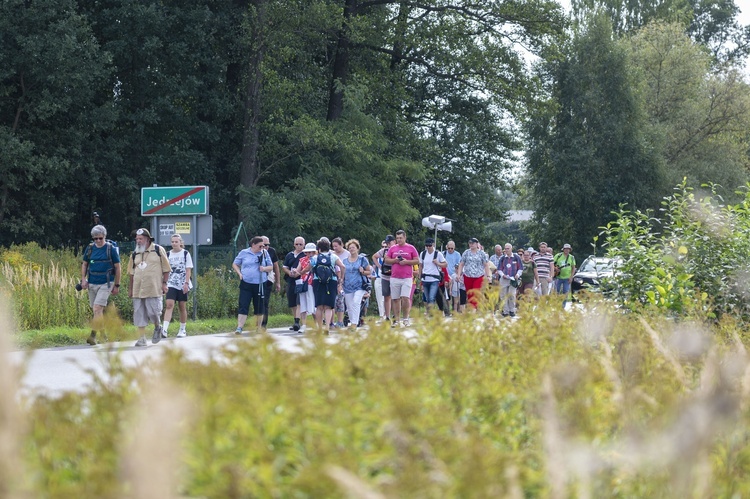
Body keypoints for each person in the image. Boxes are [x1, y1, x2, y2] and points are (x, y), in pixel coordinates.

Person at [128, 228, 171, 346]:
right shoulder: (134, 253)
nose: (138, 241)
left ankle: (157, 326)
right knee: (138, 313)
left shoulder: (158, 250)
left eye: (140, 239)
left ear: (147, 239)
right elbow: (131, 273)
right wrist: (130, 289)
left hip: (154, 288)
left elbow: (167, 269)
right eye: (137, 239)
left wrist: (164, 283)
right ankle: (142, 338)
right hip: (138, 289)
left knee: (154, 312)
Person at [80, 224, 121, 345]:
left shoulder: (111, 249)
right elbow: (84, 264)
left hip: (106, 282)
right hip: (92, 282)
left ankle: (92, 336)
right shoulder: (90, 248)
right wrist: (83, 279)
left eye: (100, 238)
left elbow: (118, 267)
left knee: (97, 308)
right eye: (95, 238)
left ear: (104, 237)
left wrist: (117, 285)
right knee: (96, 311)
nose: (98, 240)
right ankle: (104, 335)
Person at [299, 238, 346, 331]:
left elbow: (308, 268)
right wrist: (340, 279)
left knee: (319, 306)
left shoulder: (315, 258)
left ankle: (320, 328)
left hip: (318, 282)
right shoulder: (333, 257)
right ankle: (327, 327)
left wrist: (300, 272)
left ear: (319, 249)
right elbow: (343, 266)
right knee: (329, 306)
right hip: (331, 282)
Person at [232, 236, 273, 334]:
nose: (262, 248)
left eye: (263, 246)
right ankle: (239, 327)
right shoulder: (244, 252)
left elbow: (271, 266)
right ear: (253, 245)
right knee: (243, 304)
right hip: (246, 282)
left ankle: (258, 327)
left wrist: (264, 268)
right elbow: (235, 264)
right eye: (260, 246)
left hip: (259, 283)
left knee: (259, 306)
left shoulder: (264, 253)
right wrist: (239, 274)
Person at [384, 230, 420, 326]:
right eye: (397, 238)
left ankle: (406, 318)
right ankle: (396, 319)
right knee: (395, 299)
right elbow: (386, 260)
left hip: (407, 277)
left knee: (405, 298)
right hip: (395, 277)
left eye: (401, 238)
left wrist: (407, 262)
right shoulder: (392, 248)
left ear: (405, 237)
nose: (399, 240)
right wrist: (395, 260)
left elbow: (417, 261)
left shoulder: (411, 248)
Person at [162, 234, 193, 338]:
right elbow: (165, 269)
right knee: (169, 304)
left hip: (182, 282)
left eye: (176, 242)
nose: (174, 244)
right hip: (171, 282)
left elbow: (188, 269)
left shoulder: (185, 253)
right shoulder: (168, 254)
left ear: (180, 242)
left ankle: (182, 329)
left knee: (182, 306)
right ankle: (164, 329)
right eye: (173, 242)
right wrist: (164, 282)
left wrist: (186, 283)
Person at [342, 239, 371, 329]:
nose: (351, 249)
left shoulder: (363, 259)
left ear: (357, 248)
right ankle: (352, 321)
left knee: (356, 302)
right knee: (349, 306)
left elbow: (369, 272)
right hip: (347, 286)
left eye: (353, 247)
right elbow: (343, 273)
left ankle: (354, 324)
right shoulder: (345, 261)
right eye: (350, 248)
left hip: (359, 286)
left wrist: (363, 271)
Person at [456, 238, 491, 310]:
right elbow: (461, 264)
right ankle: (473, 308)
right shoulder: (466, 252)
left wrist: (488, 276)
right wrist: (459, 275)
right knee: (470, 294)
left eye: (472, 243)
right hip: (468, 276)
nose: (471, 245)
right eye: (469, 243)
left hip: (478, 276)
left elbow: (486, 265)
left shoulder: (481, 253)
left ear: (477, 244)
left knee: (476, 293)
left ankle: (473, 310)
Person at [282, 237, 306, 331]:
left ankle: (297, 321)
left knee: (299, 301)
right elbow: (284, 267)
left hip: (301, 280)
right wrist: (289, 273)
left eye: (300, 244)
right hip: (291, 280)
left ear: (304, 245)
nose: (299, 246)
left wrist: (298, 273)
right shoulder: (289, 255)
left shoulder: (305, 255)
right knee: (292, 302)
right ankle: (295, 321)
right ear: (294, 244)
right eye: (297, 244)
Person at [294, 243, 318, 333]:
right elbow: (298, 270)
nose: (309, 254)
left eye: (311, 252)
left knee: (312, 303)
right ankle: (304, 324)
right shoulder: (302, 260)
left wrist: (300, 272)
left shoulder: (317, 259)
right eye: (308, 252)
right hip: (303, 283)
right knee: (303, 304)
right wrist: (294, 272)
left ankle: (316, 324)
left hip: (313, 283)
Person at [418, 237, 446, 313]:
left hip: (434, 279)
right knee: (427, 298)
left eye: (429, 246)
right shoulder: (423, 254)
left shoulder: (438, 254)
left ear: (433, 245)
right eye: (427, 246)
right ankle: (430, 311)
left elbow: (445, 264)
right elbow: (420, 265)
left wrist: (438, 263)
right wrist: (419, 276)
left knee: (431, 297)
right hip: (425, 279)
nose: (428, 247)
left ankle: (431, 313)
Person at [372, 235, 396, 322]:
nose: (388, 245)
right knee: (386, 296)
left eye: (390, 243)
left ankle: (395, 315)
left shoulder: (397, 250)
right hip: (385, 275)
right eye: (387, 243)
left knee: (395, 297)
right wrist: (379, 266)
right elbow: (374, 256)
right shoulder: (384, 251)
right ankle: (387, 316)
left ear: (394, 241)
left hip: (395, 276)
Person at [260, 236, 281, 329]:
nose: (266, 247)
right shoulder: (254, 252)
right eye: (264, 245)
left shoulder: (271, 251)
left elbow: (276, 267)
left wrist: (278, 282)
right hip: (257, 280)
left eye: (268, 245)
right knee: (258, 301)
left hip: (268, 279)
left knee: (265, 302)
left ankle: (263, 324)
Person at [497, 243, 523, 317]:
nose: (506, 250)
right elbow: (499, 269)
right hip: (504, 279)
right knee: (503, 295)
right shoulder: (502, 258)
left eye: (508, 248)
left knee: (511, 294)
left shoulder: (516, 257)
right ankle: (505, 311)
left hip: (513, 279)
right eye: (505, 248)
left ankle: (512, 310)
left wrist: (518, 275)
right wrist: (502, 275)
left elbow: (520, 268)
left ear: (511, 249)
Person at [331, 237, 350, 328]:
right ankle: (334, 321)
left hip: (346, 278)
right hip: (336, 279)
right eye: (333, 246)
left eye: (336, 246)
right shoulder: (332, 254)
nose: (334, 248)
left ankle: (342, 319)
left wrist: (342, 278)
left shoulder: (347, 254)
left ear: (341, 245)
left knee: (343, 300)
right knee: (337, 300)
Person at [443, 240, 462, 313]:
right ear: (447, 247)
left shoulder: (457, 254)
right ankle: (446, 310)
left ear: (454, 248)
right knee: (445, 293)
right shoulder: (443, 254)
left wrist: (458, 274)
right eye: (449, 248)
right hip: (445, 275)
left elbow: (459, 265)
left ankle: (456, 308)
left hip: (454, 274)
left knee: (455, 291)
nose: (450, 250)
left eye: (452, 248)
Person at [370, 240, 386, 320]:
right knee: (379, 298)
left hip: (387, 279)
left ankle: (387, 314)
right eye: (382, 247)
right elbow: (373, 268)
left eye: (385, 247)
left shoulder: (392, 255)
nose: (384, 248)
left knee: (387, 298)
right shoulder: (378, 257)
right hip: (379, 278)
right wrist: (372, 275)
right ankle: (381, 315)